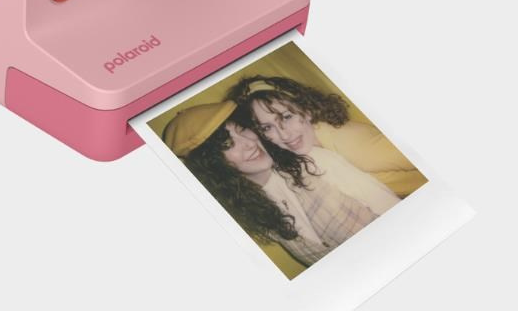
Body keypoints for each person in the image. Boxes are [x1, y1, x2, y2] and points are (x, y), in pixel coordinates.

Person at [162, 101, 395, 268]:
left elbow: (391, 208)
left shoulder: (312, 162)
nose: (249, 143)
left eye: (242, 130)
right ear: (213, 165)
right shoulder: (256, 215)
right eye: (227, 144)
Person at [227, 76, 425, 198]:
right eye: (267, 127)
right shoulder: (308, 150)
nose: (284, 134)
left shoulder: (356, 146)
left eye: (287, 117)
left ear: (306, 110)